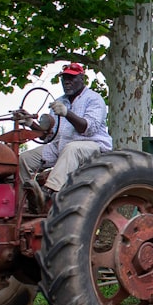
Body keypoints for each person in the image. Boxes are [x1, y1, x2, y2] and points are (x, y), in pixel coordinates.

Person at [18, 62, 113, 201]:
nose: (67, 82)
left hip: (91, 146)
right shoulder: (59, 101)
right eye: (64, 79)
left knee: (71, 149)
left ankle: (47, 193)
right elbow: (49, 135)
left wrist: (66, 113)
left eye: (71, 78)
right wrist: (30, 123)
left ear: (82, 79)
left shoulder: (94, 99)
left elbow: (87, 129)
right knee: (24, 159)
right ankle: (25, 201)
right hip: (61, 145)